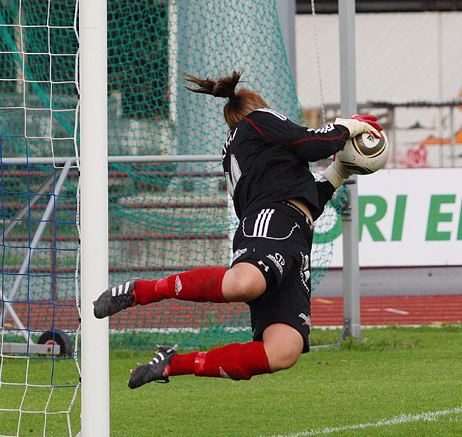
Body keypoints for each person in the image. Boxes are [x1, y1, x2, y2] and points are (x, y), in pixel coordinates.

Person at [93, 71, 382, 389]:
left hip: (296, 235)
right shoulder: (258, 119)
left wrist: (339, 170)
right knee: (244, 283)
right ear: (260, 109)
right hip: (272, 222)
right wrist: (347, 126)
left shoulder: (255, 148)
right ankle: (140, 291)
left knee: (283, 350)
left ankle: (172, 364)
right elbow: (310, 144)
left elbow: (305, 192)